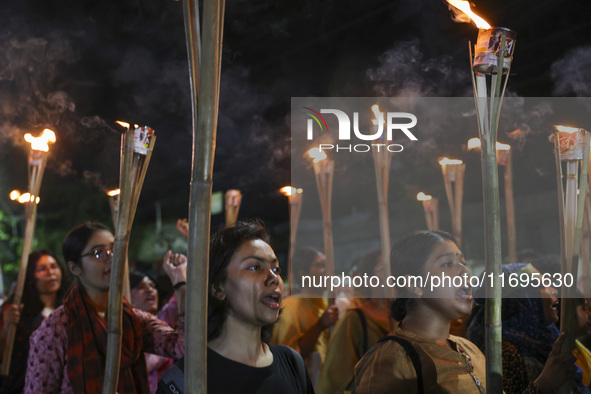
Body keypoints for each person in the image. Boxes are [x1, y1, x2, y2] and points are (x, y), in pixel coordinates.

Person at [355, 230, 577, 394]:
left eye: (462, 261)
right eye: (446, 265)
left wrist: (543, 384)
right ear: (414, 285)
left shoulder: (468, 349)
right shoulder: (390, 361)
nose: (465, 272)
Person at [24, 222, 186, 393]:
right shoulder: (57, 328)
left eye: (114, 249)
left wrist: (180, 283)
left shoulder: (132, 319)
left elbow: (182, 347)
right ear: (74, 268)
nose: (111, 257)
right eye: (98, 253)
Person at [157, 220, 313, 394]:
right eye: (255, 267)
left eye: (276, 269)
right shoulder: (183, 382)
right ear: (217, 288)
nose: (274, 278)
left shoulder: (292, 364)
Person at [468, 262, 588, 394]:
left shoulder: (546, 339)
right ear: (524, 298)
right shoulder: (505, 353)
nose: (553, 290)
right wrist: (543, 384)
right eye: (542, 286)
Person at [317, 249, 390, 394]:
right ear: (368, 279)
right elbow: (333, 379)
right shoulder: (354, 318)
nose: (392, 274)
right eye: (384, 269)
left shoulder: (409, 316)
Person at [0, 249, 70, 393]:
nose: (51, 272)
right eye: (42, 269)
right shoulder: (16, 310)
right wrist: (6, 326)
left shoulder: (69, 310)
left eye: (54, 266)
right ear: (31, 277)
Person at [270, 246, 339, 387]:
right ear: (303, 274)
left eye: (328, 265)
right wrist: (320, 325)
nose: (328, 271)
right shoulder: (290, 307)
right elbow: (287, 359)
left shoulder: (325, 304)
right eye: (320, 265)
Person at [129, 271, 179, 393]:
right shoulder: (120, 330)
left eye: (153, 286)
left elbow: (178, 301)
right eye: (140, 287)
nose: (150, 290)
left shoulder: (162, 323)